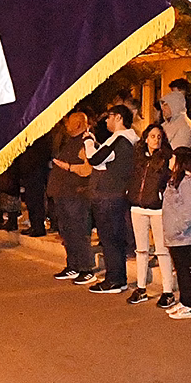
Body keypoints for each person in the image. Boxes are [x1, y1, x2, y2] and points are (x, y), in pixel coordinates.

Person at [84, 104, 138, 294]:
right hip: (117, 194)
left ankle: (114, 280)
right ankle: (117, 278)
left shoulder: (119, 139)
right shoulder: (131, 139)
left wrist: (89, 141)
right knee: (113, 239)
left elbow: (94, 159)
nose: (106, 121)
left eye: (109, 117)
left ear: (119, 118)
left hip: (109, 196)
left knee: (110, 239)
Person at [126, 124, 174, 307]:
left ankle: (167, 291)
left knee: (162, 250)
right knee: (141, 250)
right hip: (138, 208)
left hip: (157, 209)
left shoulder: (166, 158)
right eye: (152, 136)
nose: (155, 140)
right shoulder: (137, 157)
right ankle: (141, 287)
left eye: (159, 137)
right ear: (145, 138)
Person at [49, 112, 95, 283]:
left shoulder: (86, 141)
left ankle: (86, 268)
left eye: (68, 122)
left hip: (76, 195)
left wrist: (68, 167)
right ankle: (72, 266)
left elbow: (88, 169)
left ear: (77, 124)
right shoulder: (70, 142)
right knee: (67, 232)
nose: (66, 125)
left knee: (79, 232)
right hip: (63, 194)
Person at [162, 146, 191, 319]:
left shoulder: (188, 182)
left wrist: (178, 228)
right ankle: (183, 301)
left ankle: (190, 305)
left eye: (173, 158)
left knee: (187, 269)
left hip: (185, 236)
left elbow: (190, 210)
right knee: (180, 269)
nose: (170, 161)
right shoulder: (174, 181)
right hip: (175, 236)